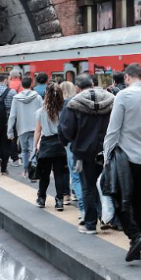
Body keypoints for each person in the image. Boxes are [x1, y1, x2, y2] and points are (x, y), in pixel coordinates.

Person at [104, 63, 141, 262]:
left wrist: (106, 155)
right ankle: (137, 247)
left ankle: (134, 236)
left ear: (127, 77)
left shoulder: (123, 96)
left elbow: (113, 129)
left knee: (118, 199)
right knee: (138, 202)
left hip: (124, 158)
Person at [59, 74, 115, 233]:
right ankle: (109, 218)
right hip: (106, 151)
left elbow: (66, 129)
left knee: (88, 187)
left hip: (83, 153)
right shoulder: (111, 100)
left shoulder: (73, 103)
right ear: (92, 84)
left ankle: (90, 224)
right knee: (107, 184)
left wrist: (68, 142)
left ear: (78, 87)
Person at [34, 83, 67, 211]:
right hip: (60, 145)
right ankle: (59, 201)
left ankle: (41, 198)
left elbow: (37, 131)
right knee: (59, 174)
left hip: (46, 145)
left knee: (44, 174)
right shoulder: (64, 111)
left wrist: (35, 146)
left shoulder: (41, 112)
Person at [7, 76, 43, 178]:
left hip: (22, 128)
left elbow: (12, 116)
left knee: (24, 150)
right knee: (33, 148)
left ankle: (25, 170)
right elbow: (43, 112)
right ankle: (34, 169)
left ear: (22, 85)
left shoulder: (16, 99)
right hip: (36, 127)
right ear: (31, 84)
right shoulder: (38, 97)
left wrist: (9, 131)